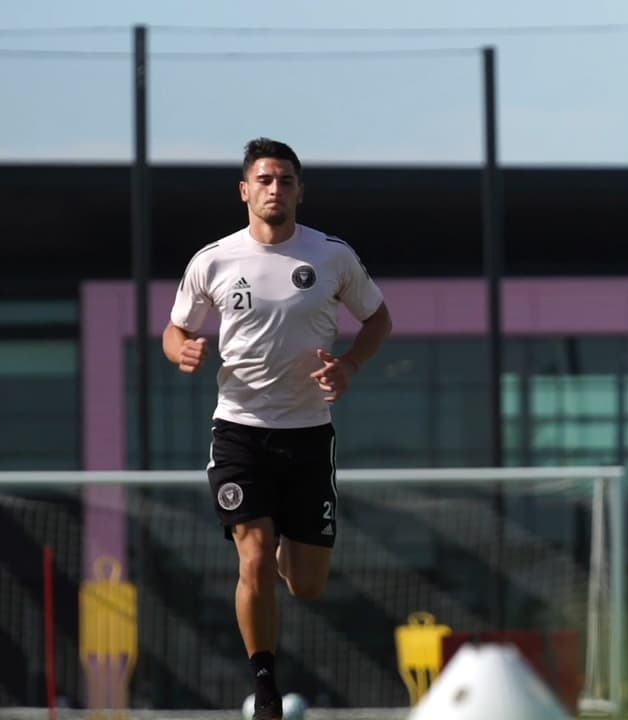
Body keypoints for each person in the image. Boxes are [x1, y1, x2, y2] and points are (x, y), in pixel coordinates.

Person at [162, 137, 393, 720]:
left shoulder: (331, 256)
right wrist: (181, 350)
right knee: (255, 555)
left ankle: (290, 536)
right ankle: (265, 690)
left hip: (309, 434)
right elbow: (175, 329)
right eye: (264, 180)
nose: (274, 189)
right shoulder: (214, 260)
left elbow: (378, 318)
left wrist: (349, 365)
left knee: (306, 584)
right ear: (245, 190)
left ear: (299, 192)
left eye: (285, 180)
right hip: (239, 430)